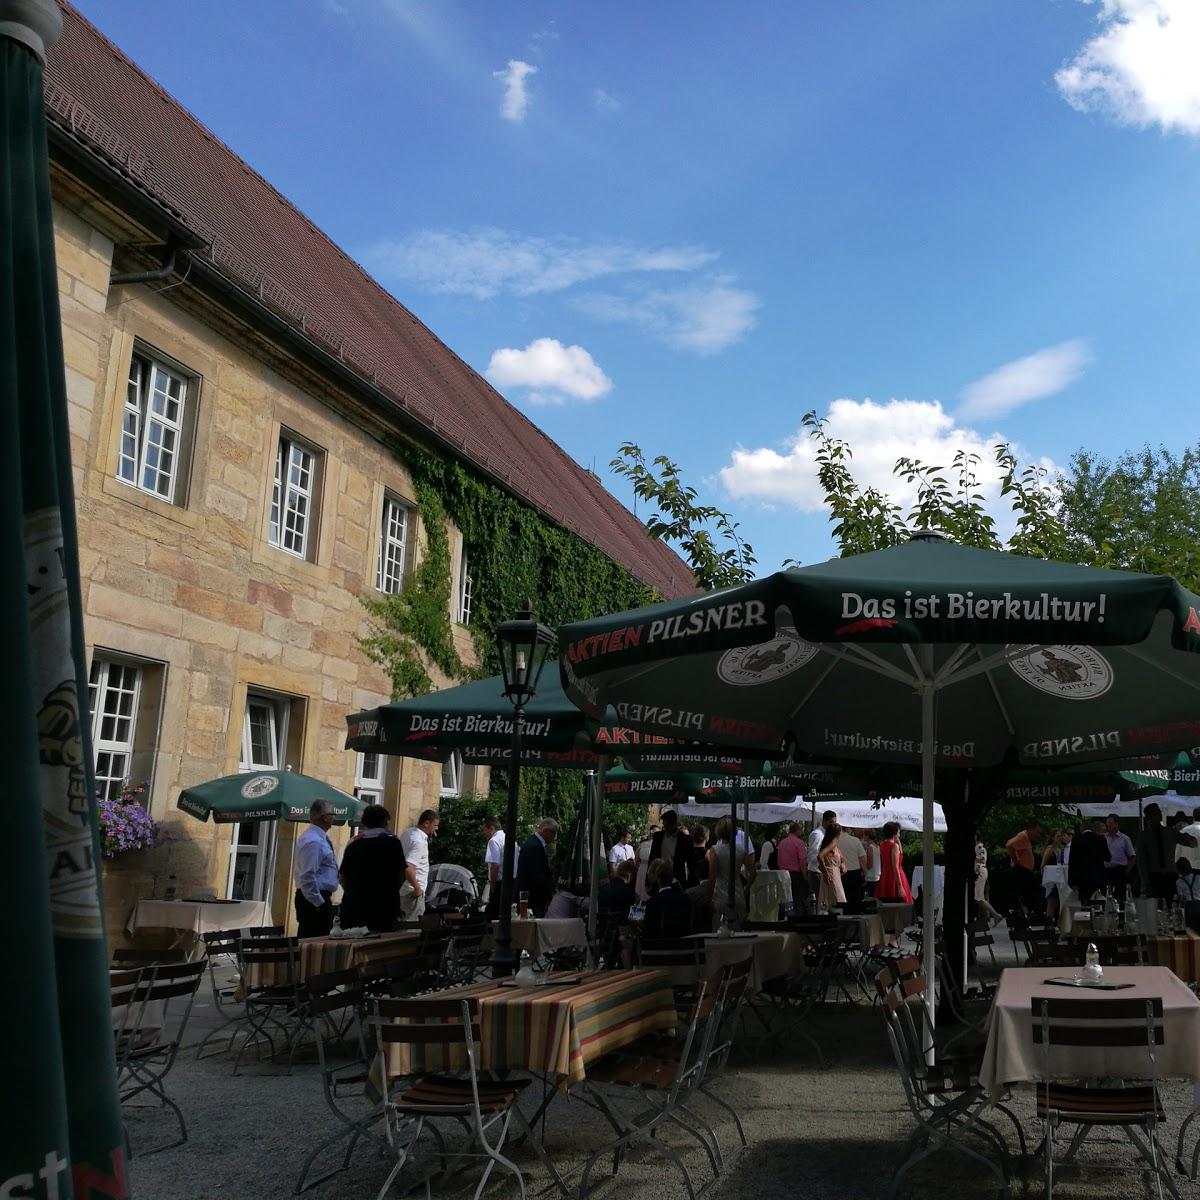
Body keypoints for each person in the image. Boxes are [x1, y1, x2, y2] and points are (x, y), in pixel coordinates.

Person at [338, 804, 409, 932]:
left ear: (364, 822)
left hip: (355, 908)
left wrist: (353, 893)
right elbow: (401, 875)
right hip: (384, 906)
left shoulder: (354, 844)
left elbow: (343, 877)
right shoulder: (393, 843)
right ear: (385, 822)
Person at [294, 799, 340, 938]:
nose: (334, 817)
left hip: (316, 897)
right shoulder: (313, 840)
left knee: (319, 940)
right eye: (333, 814)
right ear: (325, 817)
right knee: (313, 941)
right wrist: (319, 903)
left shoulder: (318, 838)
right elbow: (307, 876)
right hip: (313, 899)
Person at [1138, 802, 1198, 901]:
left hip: (1170, 875)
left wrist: (1185, 835)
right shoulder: (1145, 836)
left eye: (1159, 812)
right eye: (1157, 812)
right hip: (1154, 877)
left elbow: (1193, 843)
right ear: (1149, 816)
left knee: (1171, 905)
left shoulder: (1170, 832)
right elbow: (1141, 861)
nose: (1160, 814)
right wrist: (1145, 882)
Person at [705, 817, 749, 930]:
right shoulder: (741, 850)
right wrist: (746, 888)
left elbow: (712, 877)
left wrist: (708, 898)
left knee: (720, 931)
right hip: (738, 894)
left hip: (720, 896)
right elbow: (753, 872)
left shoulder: (715, 850)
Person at [399, 808, 439, 920]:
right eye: (435, 825)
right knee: (412, 930)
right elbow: (409, 867)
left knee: (400, 927)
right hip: (412, 892)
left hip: (402, 889)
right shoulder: (419, 841)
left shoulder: (408, 833)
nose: (436, 828)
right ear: (426, 823)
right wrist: (417, 888)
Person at [516, 817, 558, 916]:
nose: (554, 837)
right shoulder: (534, 846)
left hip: (532, 897)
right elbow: (537, 876)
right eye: (553, 833)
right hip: (533, 899)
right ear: (546, 831)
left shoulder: (534, 844)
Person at [643, 858, 694, 938]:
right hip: (683, 944)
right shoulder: (686, 898)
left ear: (656, 879)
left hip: (660, 946)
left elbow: (648, 930)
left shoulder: (652, 902)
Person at [1067, 817, 1110, 904]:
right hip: (1098, 877)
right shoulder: (1100, 839)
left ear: (1081, 829)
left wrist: (1071, 881)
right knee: (1099, 901)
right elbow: (1108, 857)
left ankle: (1085, 915)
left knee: (1084, 903)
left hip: (1082, 878)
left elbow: (1072, 861)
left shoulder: (1076, 840)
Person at [649, 810, 695, 887]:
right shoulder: (658, 836)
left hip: (677, 877)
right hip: (658, 876)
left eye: (666, 823)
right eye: (664, 823)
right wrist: (649, 880)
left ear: (674, 823)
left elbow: (691, 862)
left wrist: (691, 882)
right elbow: (652, 857)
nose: (664, 826)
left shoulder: (685, 839)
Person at [1005, 819, 1042, 914]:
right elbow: (1009, 845)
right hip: (1022, 869)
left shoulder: (1026, 838)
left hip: (1026, 870)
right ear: (1030, 829)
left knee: (1030, 892)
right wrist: (1015, 860)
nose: (1038, 834)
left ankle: (1031, 911)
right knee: (1029, 892)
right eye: (1036, 831)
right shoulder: (1023, 836)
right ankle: (1030, 911)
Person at [481, 815, 513, 916]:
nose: (483, 833)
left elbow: (495, 865)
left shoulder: (493, 841)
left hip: (500, 883)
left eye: (484, 830)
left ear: (491, 828)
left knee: (493, 913)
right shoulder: (510, 839)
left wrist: (493, 886)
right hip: (512, 881)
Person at [776, 821, 810, 915]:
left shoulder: (782, 843)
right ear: (797, 830)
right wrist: (805, 876)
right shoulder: (799, 843)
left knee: (785, 899)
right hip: (796, 875)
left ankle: (785, 917)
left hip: (783, 874)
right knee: (797, 899)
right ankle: (797, 920)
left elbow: (779, 860)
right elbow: (802, 861)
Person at [875, 821, 913, 905]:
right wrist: (900, 886)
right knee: (900, 903)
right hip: (895, 875)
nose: (899, 834)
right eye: (898, 832)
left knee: (886, 902)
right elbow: (895, 866)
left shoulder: (882, 844)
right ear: (894, 833)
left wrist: (897, 841)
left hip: (885, 875)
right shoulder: (893, 846)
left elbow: (900, 853)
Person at [1103, 813, 1137, 901]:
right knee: (1105, 895)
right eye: (1107, 823)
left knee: (1120, 896)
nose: (1108, 825)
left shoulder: (1125, 839)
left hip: (1119, 870)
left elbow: (1132, 857)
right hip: (1105, 870)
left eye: (1110, 823)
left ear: (1116, 824)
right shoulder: (1103, 838)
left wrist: (1126, 871)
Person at [816, 823, 847, 914]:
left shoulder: (831, 844)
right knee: (835, 900)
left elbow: (840, 859)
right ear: (838, 833)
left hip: (833, 872)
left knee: (830, 900)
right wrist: (826, 873)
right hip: (832, 873)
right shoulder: (832, 843)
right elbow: (820, 856)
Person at [1041, 829, 1069, 922]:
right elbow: (1043, 864)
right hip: (1051, 878)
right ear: (1052, 838)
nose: (1060, 838)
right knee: (1051, 901)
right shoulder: (1050, 849)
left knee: (1056, 901)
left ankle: (1054, 920)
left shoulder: (1059, 849)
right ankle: (1049, 921)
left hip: (1057, 877)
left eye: (1060, 836)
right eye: (1057, 836)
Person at [973, 831, 1002, 925]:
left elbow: (982, 860)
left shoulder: (980, 847)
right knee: (978, 897)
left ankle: (995, 915)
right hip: (979, 871)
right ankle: (987, 916)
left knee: (979, 897)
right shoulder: (977, 847)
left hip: (980, 871)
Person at [838, 826, 868, 914]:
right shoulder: (855, 840)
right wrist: (865, 874)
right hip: (855, 872)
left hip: (840, 873)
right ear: (847, 829)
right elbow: (863, 858)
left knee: (843, 899)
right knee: (855, 900)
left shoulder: (834, 841)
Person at [808, 810, 836, 879]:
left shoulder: (826, 834)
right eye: (831, 822)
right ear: (824, 821)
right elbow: (813, 856)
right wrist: (824, 869)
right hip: (817, 873)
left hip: (822, 872)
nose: (833, 825)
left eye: (834, 823)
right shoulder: (818, 834)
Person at [862, 829, 881, 897]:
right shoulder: (877, 847)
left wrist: (863, 865)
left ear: (867, 836)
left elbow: (870, 864)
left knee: (870, 896)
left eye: (864, 835)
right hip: (877, 874)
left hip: (870, 876)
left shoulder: (870, 848)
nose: (863, 836)